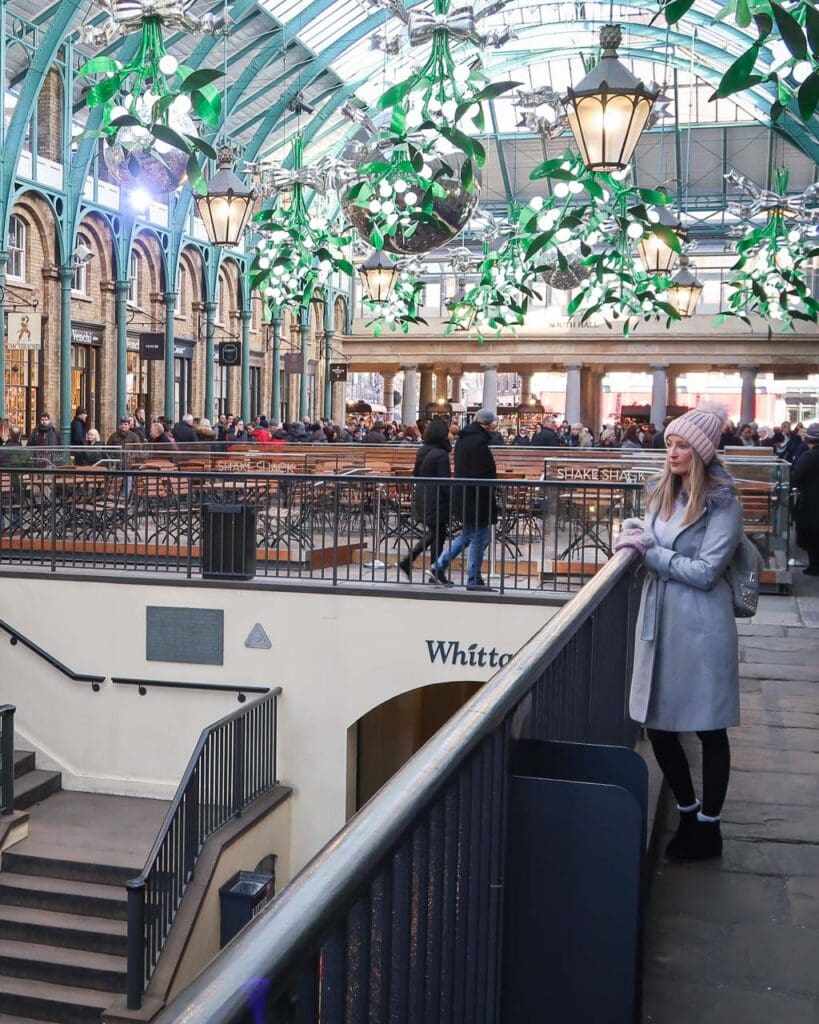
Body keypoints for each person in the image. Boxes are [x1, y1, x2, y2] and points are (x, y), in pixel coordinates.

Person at [615, 403, 744, 862]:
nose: (671, 451)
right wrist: (635, 532)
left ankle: (709, 827)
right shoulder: (663, 490)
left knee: (709, 726)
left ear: (702, 452)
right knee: (660, 726)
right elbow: (654, 536)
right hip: (662, 618)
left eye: (682, 445)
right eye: (670, 442)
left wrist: (649, 553)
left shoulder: (723, 499)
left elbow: (708, 570)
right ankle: (688, 812)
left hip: (702, 624)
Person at [428, 408, 498, 591]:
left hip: (465, 495)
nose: (494, 428)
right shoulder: (478, 443)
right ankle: (473, 580)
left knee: (468, 536)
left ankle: (438, 567)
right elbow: (483, 472)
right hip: (477, 497)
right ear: (487, 424)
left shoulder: (465, 439)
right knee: (480, 538)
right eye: (493, 424)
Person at [398, 418, 452, 581]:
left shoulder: (423, 450)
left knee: (436, 533)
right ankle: (433, 569)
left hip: (422, 494)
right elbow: (445, 481)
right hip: (436, 498)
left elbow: (416, 472)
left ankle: (419, 564)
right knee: (438, 534)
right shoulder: (441, 454)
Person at [790, 422, 819, 575]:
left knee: (812, 535)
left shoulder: (808, 457)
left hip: (810, 502)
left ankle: (814, 566)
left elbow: (795, 478)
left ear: (808, 440)